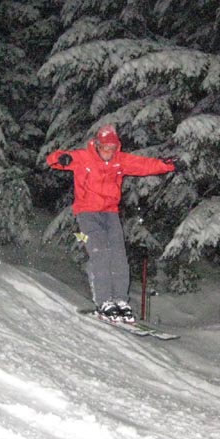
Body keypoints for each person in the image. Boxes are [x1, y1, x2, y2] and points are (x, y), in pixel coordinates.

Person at [47, 124, 177, 322]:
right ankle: (104, 301)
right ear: (98, 146)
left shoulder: (119, 161)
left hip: (110, 213)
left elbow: (143, 165)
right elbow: (54, 159)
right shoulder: (84, 158)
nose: (109, 153)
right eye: (105, 148)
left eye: (112, 149)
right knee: (100, 252)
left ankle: (120, 301)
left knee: (118, 254)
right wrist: (60, 158)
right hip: (87, 213)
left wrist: (168, 165)